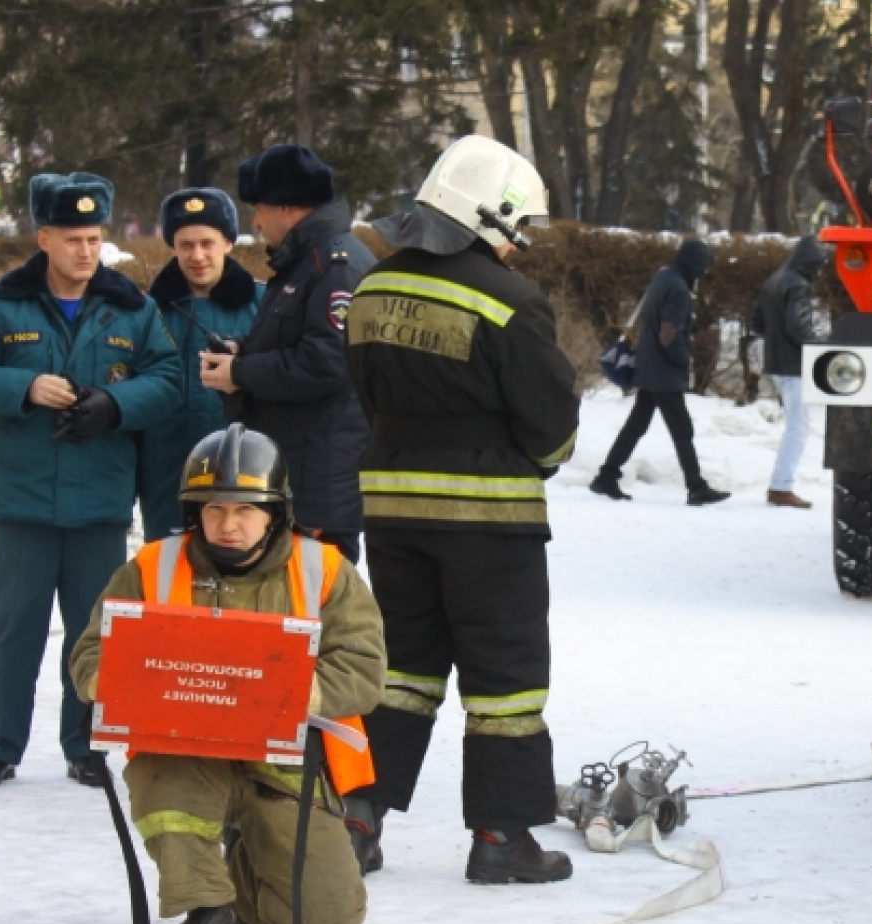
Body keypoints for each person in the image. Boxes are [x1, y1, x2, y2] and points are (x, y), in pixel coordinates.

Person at [345, 134, 580, 884]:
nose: (520, 247)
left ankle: (357, 820)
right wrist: (531, 459)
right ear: (496, 219)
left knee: (400, 669)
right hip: (490, 522)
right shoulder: (509, 300)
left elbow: (366, 394)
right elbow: (552, 424)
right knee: (504, 677)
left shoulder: (374, 286)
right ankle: (502, 838)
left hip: (391, 512)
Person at [69, 425, 384, 924]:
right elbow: (90, 652)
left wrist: (300, 694)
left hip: (283, 761)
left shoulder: (324, 569)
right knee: (166, 782)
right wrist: (112, 686)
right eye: (213, 509)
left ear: (275, 511)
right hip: (183, 752)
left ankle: (241, 864)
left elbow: (364, 666)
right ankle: (207, 909)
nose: (228, 525)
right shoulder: (151, 566)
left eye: (245, 510)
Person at [0, 172, 182, 790]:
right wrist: (22, 387)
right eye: (73, 238)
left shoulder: (133, 308)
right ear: (44, 237)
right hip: (23, 504)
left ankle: (88, 747)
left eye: (94, 238)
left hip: (99, 502)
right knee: (12, 634)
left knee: (96, 636)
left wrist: (114, 403)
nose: (86, 250)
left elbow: (167, 378)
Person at [199, 144, 374, 562]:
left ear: (289, 209)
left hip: (321, 483)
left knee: (318, 608)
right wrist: (244, 349)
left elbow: (327, 362)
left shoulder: (335, 266)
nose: (256, 223)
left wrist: (240, 373)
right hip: (298, 472)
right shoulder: (303, 261)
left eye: (260, 208)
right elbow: (298, 340)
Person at [138, 187, 263, 541]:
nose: (198, 255)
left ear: (228, 243)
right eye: (186, 245)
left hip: (245, 475)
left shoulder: (265, 304)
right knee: (170, 580)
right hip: (167, 474)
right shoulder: (147, 312)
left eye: (207, 243)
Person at [589, 238, 729, 506]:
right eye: (703, 266)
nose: (703, 273)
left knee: (636, 425)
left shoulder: (663, 276)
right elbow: (669, 332)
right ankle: (696, 487)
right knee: (681, 429)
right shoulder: (678, 288)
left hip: (649, 364)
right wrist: (682, 358)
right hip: (665, 371)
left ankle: (606, 476)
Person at [751, 235, 826, 509]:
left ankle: (781, 485)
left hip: (776, 362)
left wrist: (777, 338)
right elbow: (798, 327)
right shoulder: (798, 285)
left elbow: (757, 323)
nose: (820, 272)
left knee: (795, 425)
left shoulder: (775, 279)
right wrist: (820, 349)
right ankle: (781, 486)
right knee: (798, 427)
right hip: (794, 365)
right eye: (820, 265)